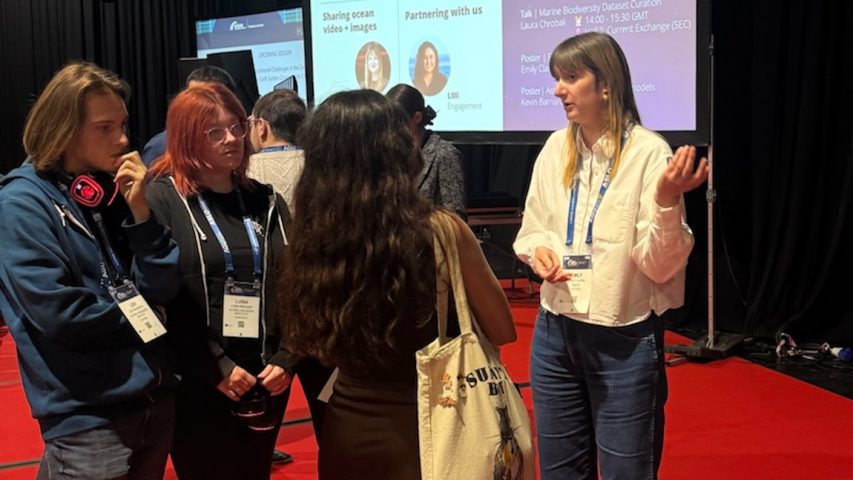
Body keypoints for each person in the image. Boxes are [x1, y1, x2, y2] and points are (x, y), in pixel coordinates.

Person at [279, 89, 518, 480]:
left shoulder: (314, 239)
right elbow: (503, 329)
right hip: (430, 429)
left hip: (344, 432)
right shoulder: (442, 231)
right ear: (396, 151)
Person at [512, 32, 709, 479]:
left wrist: (663, 202)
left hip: (622, 340)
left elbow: (660, 267)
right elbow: (534, 228)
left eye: (570, 77)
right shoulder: (554, 149)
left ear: (605, 85)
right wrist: (539, 251)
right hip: (553, 335)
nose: (557, 89)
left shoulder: (648, 154)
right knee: (560, 472)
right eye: (556, 78)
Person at [0, 62, 180, 479]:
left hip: (153, 404)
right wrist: (149, 315)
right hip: (89, 422)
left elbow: (163, 283)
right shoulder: (22, 205)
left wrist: (140, 213)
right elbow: (63, 316)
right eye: (104, 127)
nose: (122, 139)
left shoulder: (113, 192)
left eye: (124, 124)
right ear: (64, 129)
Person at [146, 82, 296, 479]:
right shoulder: (162, 200)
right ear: (187, 136)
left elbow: (298, 284)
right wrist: (217, 367)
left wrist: (288, 358)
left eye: (236, 127)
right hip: (200, 381)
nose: (231, 139)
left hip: (267, 375)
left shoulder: (265, 201)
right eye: (214, 132)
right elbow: (166, 297)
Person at [246, 88, 335, 441]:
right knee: (333, 431)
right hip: (324, 318)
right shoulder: (326, 173)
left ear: (262, 127)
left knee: (256, 439)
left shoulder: (242, 175)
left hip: (266, 324)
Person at [386, 83, 466, 218]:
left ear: (417, 117)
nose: (390, 128)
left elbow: (456, 220)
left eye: (396, 121)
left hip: (428, 237)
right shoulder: (390, 154)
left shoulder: (444, 154)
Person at [141, 65, 238, 167]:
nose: (196, 107)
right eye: (192, 98)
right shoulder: (161, 146)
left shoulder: (239, 139)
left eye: (206, 99)